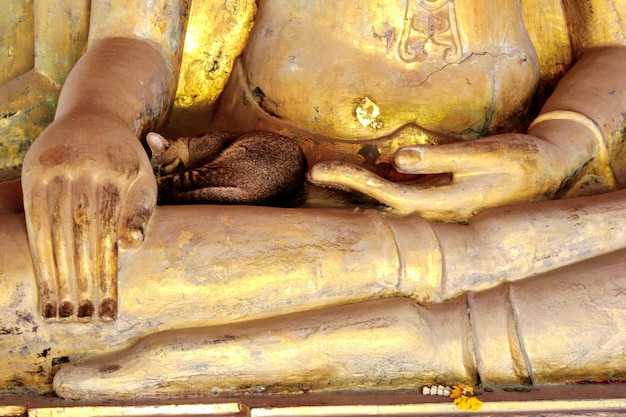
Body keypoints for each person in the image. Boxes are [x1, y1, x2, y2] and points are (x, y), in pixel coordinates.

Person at [0, 0, 624, 398]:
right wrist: (97, 120)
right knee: (22, 283)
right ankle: (481, 273)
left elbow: (614, 46)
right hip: (261, 196)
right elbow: (138, 36)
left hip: (525, 192)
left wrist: (561, 145)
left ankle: (440, 312)